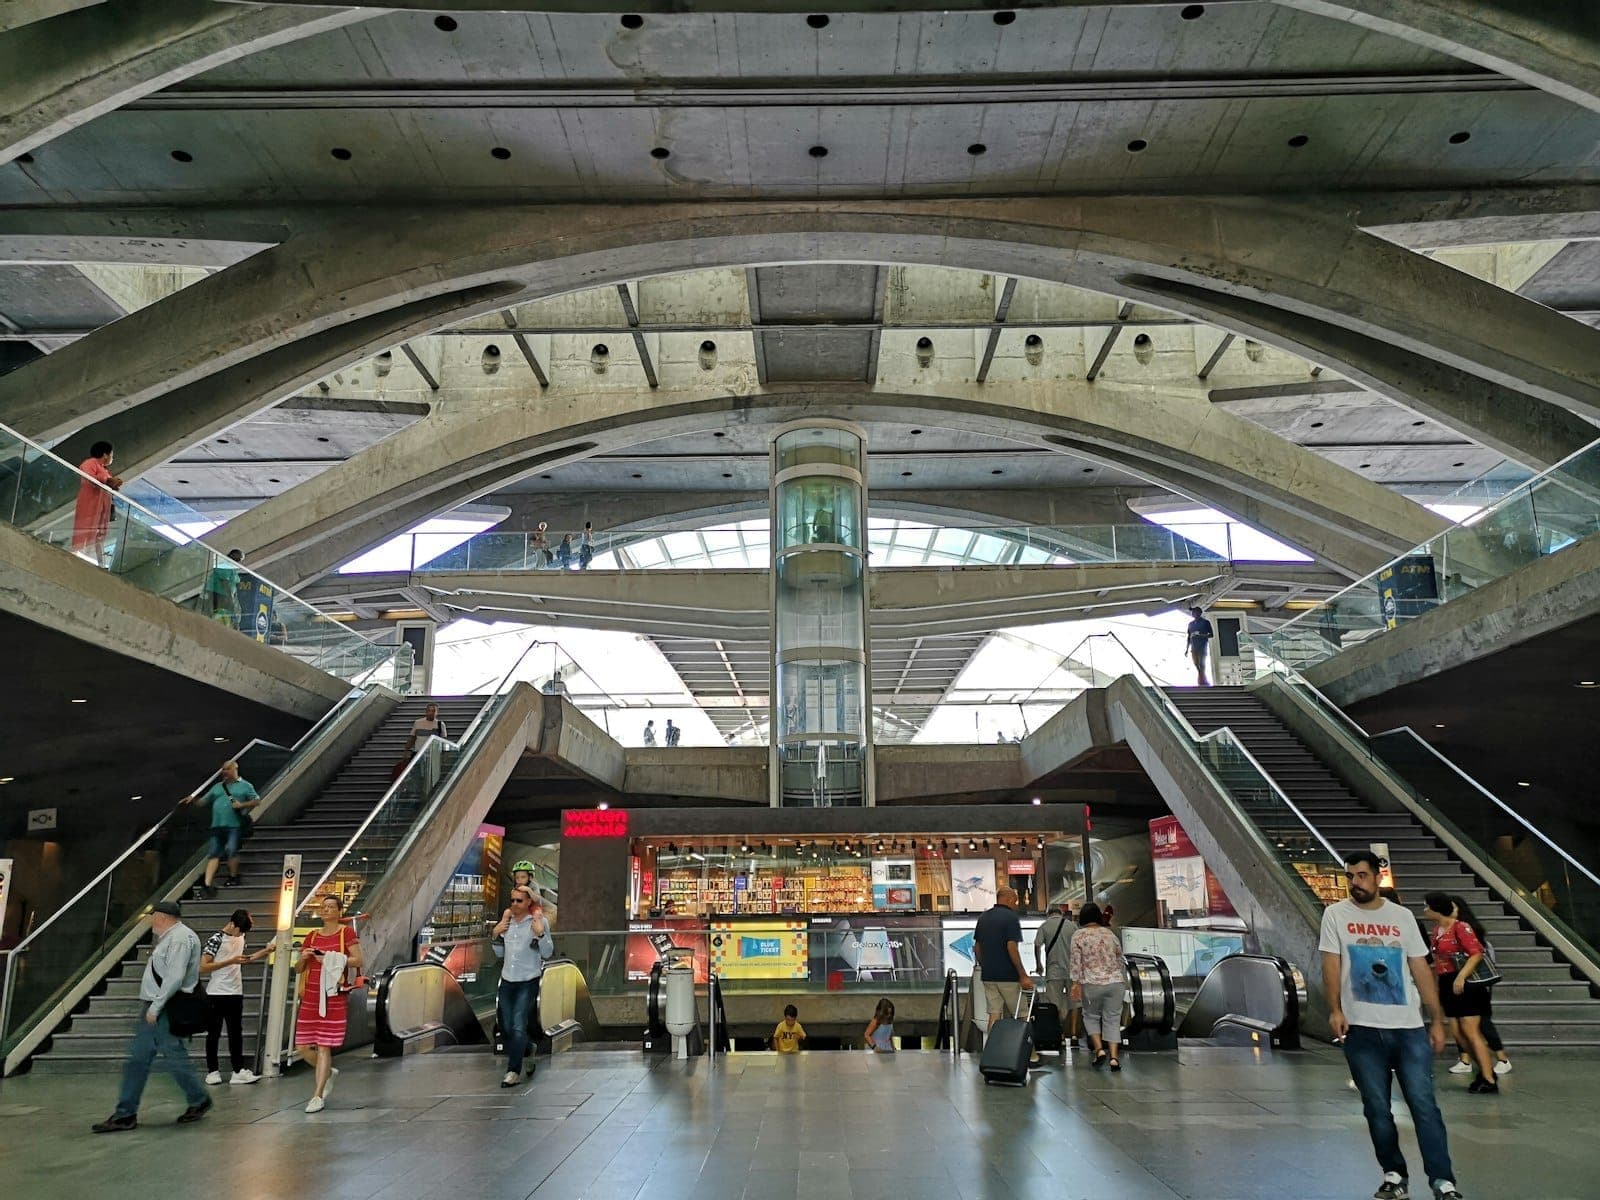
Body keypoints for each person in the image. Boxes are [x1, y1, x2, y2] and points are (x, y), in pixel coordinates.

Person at [1321, 851, 1462, 1200]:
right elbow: (1331, 963)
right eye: (1351, 876)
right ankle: (1394, 1174)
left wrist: (1437, 1020)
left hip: (1408, 1028)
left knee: (1424, 1105)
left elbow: (1420, 969)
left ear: (1378, 877)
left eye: (1362, 876)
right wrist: (1335, 1008)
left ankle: (1443, 1181)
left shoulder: (1401, 917)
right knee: (1377, 1109)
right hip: (1361, 1031)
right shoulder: (1335, 915)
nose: (1356, 883)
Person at [91, 900, 211, 1132]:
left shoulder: (178, 939)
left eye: (153, 916)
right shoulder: (175, 937)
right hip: (161, 1005)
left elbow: (175, 977)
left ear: (163, 917)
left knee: (142, 1059)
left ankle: (126, 1113)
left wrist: (155, 1007)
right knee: (157, 1056)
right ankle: (196, 1098)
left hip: (164, 1006)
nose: (151, 921)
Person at [1422, 892, 1499, 1095]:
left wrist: (1461, 976)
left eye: (1427, 906)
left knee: (1471, 1031)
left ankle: (1488, 1077)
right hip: (1448, 982)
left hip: (1466, 984)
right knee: (1459, 1033)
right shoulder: (1437, 930)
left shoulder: (1460, 927)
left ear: (1437, 909)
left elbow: (1476, 953)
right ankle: (1484, 1069)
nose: (1425, 910)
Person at [294, 895, 362, 1114]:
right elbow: (298, 969)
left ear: (339, 911)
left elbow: (358, 961)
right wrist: (305, 957)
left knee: (324, 1045)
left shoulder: (346, 933)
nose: (326, 910)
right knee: (303, 1047)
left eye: (331, 907)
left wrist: (331, 958)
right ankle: (328, 1073)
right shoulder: (312, 936)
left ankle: (317, 1095)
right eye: (323, 907)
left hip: (332, 995)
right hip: (311, 995)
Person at [494, 884, 555, 1086]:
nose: (514, 904)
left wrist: (540, 934)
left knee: (519, 1025)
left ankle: (513, 1071)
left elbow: (547, 952)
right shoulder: (507, 922)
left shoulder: (539, 922)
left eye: (519, 901)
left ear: (529, 902)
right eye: (512, 900)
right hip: (507, 980)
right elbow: (500, 954)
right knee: (505, 1027)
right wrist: (495, 935)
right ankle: (528, 1048)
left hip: (527, 981)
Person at [201, 908, 269, 1085]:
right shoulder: (216, 939)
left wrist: (266, 951)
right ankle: (212, 1071)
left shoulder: (241, 937)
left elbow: (244, 959)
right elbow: (203, 967)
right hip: (216, 992)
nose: (240, 934)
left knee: (235, 1033)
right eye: (239, 930)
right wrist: (230, 961)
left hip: (235, 992)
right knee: (213, 1033)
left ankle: (237, 1070)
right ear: (232, 924)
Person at [972, 885, 1039, 1066]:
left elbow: (976, 947)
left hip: (988, 975)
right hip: (1008, 976)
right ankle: (1031, 1055)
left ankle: (991, 1055)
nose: (1016, 905)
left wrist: (985, 964)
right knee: (1022, 1015)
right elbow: (1012, 947)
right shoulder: (1010, 918)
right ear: (1009, 899)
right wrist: (1022, 974)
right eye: (1015, 901)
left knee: (994, 1014)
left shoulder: (984, 917)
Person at [183, 761, 259, 896]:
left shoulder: (246, 786)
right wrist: (193, 799)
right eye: (223, 770)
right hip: (217, 825)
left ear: (235, 769)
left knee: (231, 849)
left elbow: (256, 800)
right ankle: (207, 884)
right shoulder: (218, 787)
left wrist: (241, 805)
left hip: (234, 825)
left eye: (227, 769)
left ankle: (233, 876)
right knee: (214, 853)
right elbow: (204, 801)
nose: (224, 772)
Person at [1070, 903, 1124, 1071]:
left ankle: (1100, 1050)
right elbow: (1119, 958)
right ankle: (1114, 1058)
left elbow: (1076, 962)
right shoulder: (1110, 934)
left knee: (1091, 1016)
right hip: (1115, 982)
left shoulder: (1079, 936)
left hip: (1092, 983)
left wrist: (1075, 983)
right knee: (1113, 1019)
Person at [1034, 899, 1080, 1049]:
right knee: (1074, 1003)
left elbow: (1037, 945)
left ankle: (1059, 1034)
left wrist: (1038, 964)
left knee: (1054, 1005)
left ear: (1048, 913)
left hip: (1054, 971)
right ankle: (1073, 1034)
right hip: (1072, 971)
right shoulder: (1071, 926)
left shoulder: (1044, 926)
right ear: (1061, 912)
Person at [71, 440, 123, 564]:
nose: (112, 458)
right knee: (85, 527)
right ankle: (78, 553)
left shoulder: (104, 470)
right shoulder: (90, 463)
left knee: (98, 532)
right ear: (105, 454)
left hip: (101, 507)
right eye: (111, 455)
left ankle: (94, 558)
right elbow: (87, 476)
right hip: (90, 503)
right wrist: (107, 480)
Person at [205, 548, 243, 627]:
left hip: (226, 595)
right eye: (238, 558)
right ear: (232, 555)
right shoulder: (223, 564)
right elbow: (224, 582)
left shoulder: (232, 567)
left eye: (240, 560)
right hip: (218, 593)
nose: (239, 561)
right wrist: (230, 599)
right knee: (219, 613)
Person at [1185, 605, 1214, 686]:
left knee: (1202, 664)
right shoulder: (1190, 624)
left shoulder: (1205, 622)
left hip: (1202, 645)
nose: (1193, 614)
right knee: (1196, 664)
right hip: (1193, 647)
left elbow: (1211, 634)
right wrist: (1187, 649)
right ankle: (1203, 680)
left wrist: (1200, 635)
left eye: (1195, 612)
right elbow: (1189, 636)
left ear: (1200, 613)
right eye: (1193, 612)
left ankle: (1201, 682)